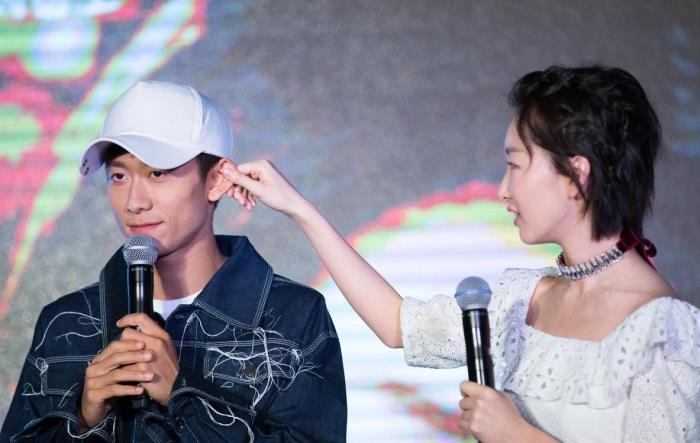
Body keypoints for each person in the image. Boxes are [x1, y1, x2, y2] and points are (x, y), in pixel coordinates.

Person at [222, 65, 700, 442]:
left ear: (576, 175)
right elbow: (397, 325)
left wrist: (517, 436)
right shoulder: (521, 297)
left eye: (515, 166)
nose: (503, 189)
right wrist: (299, 208)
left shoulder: (663, 331)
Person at [1, 80, 347, 442]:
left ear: (216, 180)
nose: (134, 202)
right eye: (119, 176)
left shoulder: (293, 317)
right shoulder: (65, 321)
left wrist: (183, 396)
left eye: (157, 173)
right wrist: (83, 419)